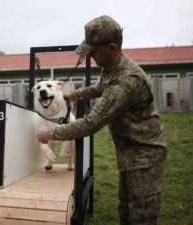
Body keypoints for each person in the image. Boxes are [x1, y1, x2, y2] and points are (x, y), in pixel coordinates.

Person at [36, 15, 167, 225]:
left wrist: (50, 133)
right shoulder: (113, 68)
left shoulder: (126, 82)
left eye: (94, 51)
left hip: (144, 156)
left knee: (140, 216)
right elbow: (99, 88)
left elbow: (91, 124)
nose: (91, 56)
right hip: (129, 152)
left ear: (112, 47)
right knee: (126, 208)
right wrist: (75, 95)